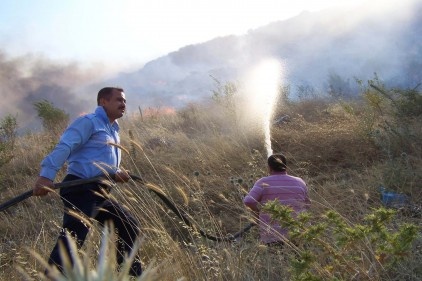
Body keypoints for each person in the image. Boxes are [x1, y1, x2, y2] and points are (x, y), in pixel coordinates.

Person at [33, 87, 142, 277]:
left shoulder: (114, 129)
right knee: (75, 235)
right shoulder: (88, 122)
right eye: (118, 100)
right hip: (80, 188)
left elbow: (98, 161)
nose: (123, 104)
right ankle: (53, 277)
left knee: (129, 225)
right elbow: (65, 146)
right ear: (103, 102)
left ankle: (130, 276)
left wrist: (116, 172)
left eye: (124, 101)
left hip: (101, 191)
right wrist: (46, 176)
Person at [243, 153, 310, 246]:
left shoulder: (263, 182)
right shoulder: (300, 181)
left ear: (269, 167)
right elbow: (307, 205)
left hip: (273, 235)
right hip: (299, 233)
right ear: (286, 166)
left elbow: (248, 201)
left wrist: (256, 213)